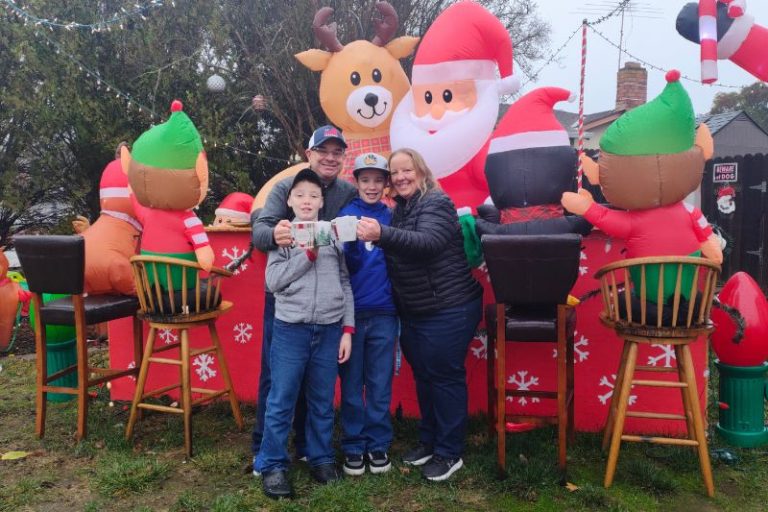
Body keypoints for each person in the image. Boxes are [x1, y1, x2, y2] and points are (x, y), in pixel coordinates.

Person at [356, 148, 483, 482]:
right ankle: (429, 440)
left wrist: (380, 235)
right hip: (417, 310)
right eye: (395, 173)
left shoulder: (436, 202)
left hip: (449, 307)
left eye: (406, 170)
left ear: (421, 171)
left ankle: (449, 452)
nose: (400, 177)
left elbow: (427, 242)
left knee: (444, 377)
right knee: (426, 378)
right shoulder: (402, 208)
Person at [250, 125, 356, 472]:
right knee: (277, 383)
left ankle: (314, 451)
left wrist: (347, 327)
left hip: (327, 316)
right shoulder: (286, 187)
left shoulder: (345, 193)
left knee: (319, 392)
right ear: (308, 154)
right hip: (288, 311)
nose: (329, 157)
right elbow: (261, 231)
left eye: (336, 152)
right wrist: (279, 234)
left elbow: (345, 273)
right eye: (322, 150)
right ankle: (265, 454)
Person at [337, 153, 398, 476]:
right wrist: (354, 248)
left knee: (379, 383)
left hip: (386, 313)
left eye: (378, 180)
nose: (372, 186)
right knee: (351, 384)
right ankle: (353, 445)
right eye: (365, 180)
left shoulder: (393, 216)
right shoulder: (346, 216)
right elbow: (344, 267)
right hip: (353, 316)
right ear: (356, 182)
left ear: (386, 183)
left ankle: (377, 445)